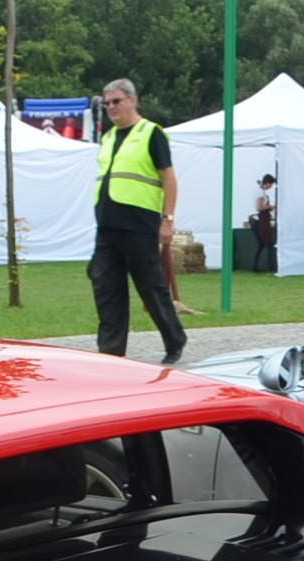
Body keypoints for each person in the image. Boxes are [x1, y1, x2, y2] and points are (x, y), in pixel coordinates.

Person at [89, 77, 187, 366]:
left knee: (151, 287)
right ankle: (111, 350)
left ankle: (174, 338)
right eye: (107, 103)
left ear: (132, 100)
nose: (111, 107)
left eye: (117, 101)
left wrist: (167, 219)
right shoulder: (107, 138)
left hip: (139, 224)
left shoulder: (150, 133)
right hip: (107, 225)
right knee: (106, 288)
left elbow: (168, 178)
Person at [250, 173, 277, 271]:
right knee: (269, 243)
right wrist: (270, 207)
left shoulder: (259, 191)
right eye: (271, 184)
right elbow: (260, 207)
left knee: (260, 244)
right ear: (267, 183)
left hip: (256, 220)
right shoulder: (261, 193)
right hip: (260, 220)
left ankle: (254, 267)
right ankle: (271, 267)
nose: (271, 187)